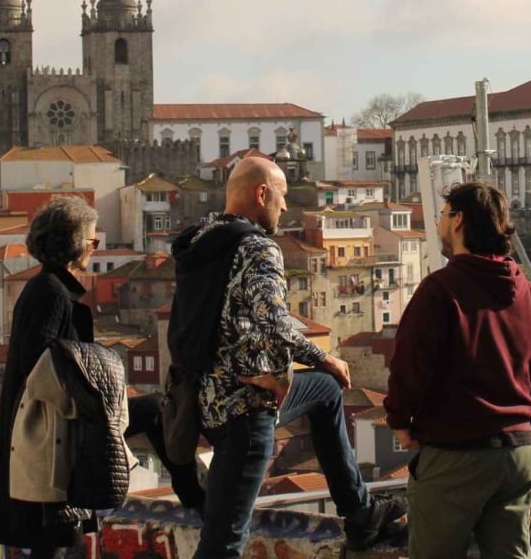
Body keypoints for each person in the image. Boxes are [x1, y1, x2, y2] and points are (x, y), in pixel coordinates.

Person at [170, 154, 405, 558]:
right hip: (247, 406)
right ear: (261, 194)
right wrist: (323, 359)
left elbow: (221, 319)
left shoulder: (201, 242)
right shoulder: (257, 248)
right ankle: (359, 514)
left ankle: (360, 513)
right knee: (223, 545)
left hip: (204, 399)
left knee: (326, 392)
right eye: (280, 197)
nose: (284, 207)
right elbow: (272, 322)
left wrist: (282, 372)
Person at [385, 181, 531, 559]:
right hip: (517, 454)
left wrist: (400, 421)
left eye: (441, 215)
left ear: (458, 221)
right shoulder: (529, 293)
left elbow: (409, 363)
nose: (438, 223)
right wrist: (529, 422)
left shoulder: (440, 290)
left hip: (457, 453)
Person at [0, 195, 107, 558]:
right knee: (50, 545)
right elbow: (39, 367)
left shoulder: (46, 288)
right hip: (46, 439)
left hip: (47, 435)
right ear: (75, 244)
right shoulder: (51, 293)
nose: (94, 249)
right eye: (92, 241)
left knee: (51, 545)